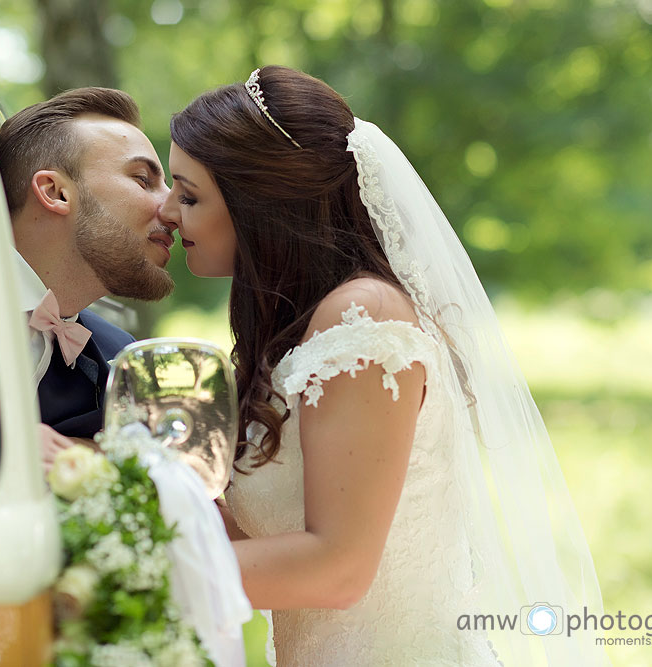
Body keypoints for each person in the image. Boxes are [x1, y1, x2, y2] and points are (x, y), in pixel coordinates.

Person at [158, 66, 609, 665]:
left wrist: (131, 571)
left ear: (260, 204)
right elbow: (270, 550)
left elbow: (337, 570)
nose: (166, 211)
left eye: (188, 194)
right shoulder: (301, 331)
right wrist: (155, 487)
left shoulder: (362, 320)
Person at [0, 88, 175, 460]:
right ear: (55, 191)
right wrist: (6, 456)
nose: (172, 210)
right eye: (143, 180)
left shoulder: (121, 361)